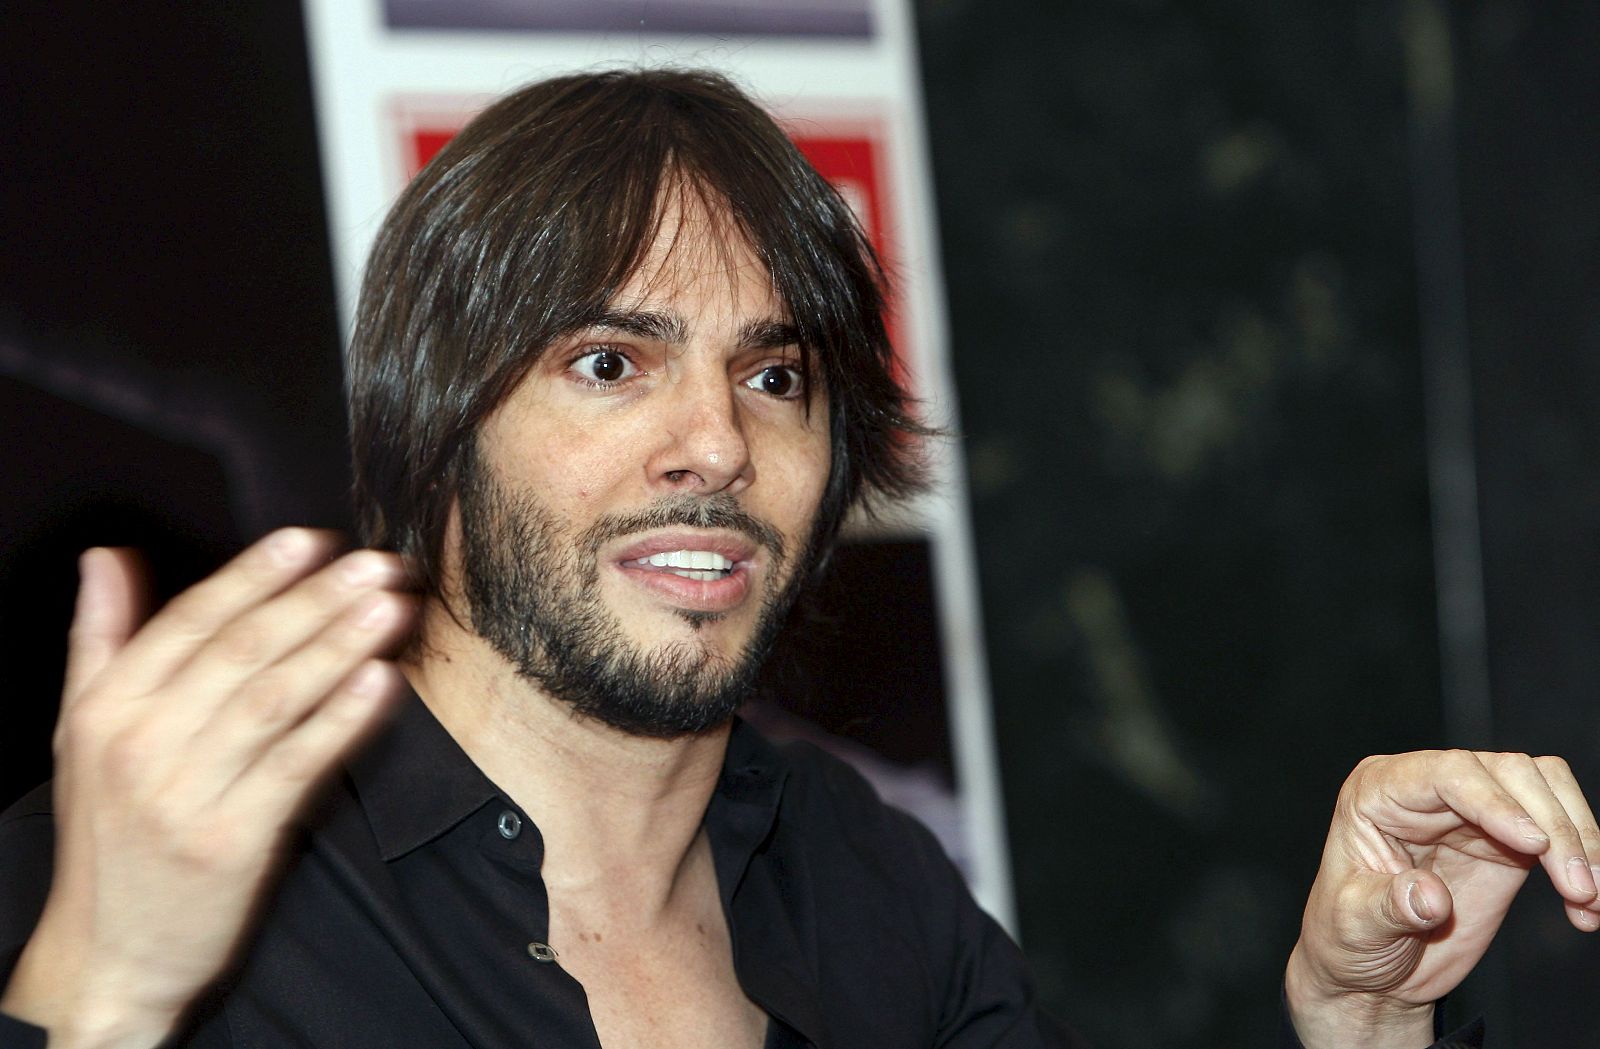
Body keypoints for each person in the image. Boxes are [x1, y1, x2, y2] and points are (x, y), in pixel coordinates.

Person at [0, 68, 1596, 1049]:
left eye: (776, 376)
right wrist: (100, 996)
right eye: (610, 363)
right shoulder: (136, 863)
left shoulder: (863, 880)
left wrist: (1362, 1021)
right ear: (439, 430)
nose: (715, 443)